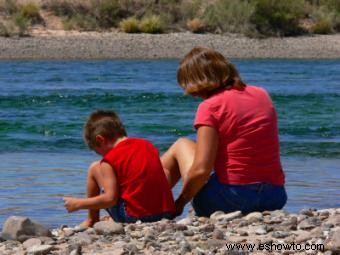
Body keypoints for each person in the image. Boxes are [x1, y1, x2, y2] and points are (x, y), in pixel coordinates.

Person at [161, 47, 287, 217]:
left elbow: (201, 170)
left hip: (233, 198)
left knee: (181, 145)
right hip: (275, 196)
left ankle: (150, 205)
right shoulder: (262, 94)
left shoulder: (210, 106)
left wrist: (181, 202)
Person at [63, 110, 176, 226]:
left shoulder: (110, 159)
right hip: (166, 214)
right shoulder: (147, 145)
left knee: (94, 167)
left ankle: (92, 219)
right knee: (163, 171)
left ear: (100, 140)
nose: (102, 156)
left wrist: (78, 204)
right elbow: (165, 173)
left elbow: (110, 199)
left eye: (98, 152)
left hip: (134, 217)